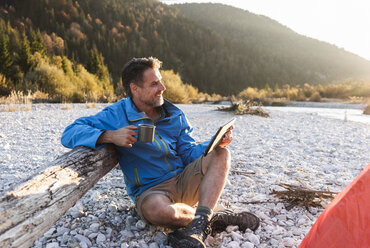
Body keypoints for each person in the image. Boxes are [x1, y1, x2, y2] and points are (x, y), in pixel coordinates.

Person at [61, 57, 259, 248]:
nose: (162, 88)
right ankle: (212, 218)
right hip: (151, 191)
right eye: (154, 84)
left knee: (221, 154)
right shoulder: (116, 115)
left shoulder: (174, 115)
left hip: (183, 179)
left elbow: (188, 152)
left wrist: (214, 144)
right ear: (134, 88)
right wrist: (110, 135)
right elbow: (69, 133)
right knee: (158, 211)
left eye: (161, 82)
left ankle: (200, 222)